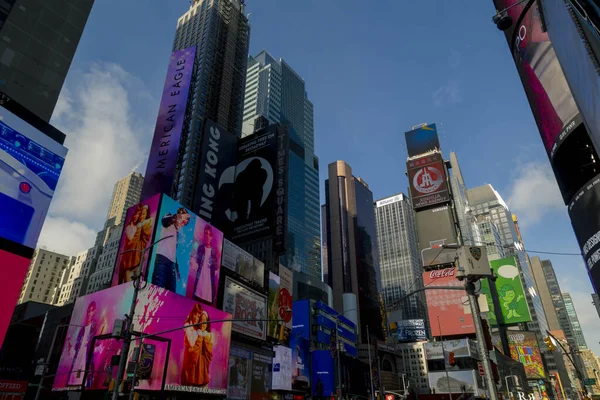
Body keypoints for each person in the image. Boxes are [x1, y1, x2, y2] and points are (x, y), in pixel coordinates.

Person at [151, 207, 191, 292]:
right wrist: (176, 217)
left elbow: (173, 251)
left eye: (185, 223)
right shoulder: (169, 219)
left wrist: (177, 269)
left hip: (171, 265)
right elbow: (164, 222)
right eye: (183, 221)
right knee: (157, 291)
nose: (183, 224)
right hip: (162, 262)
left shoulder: (177, 232)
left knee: (171, 294)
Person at [119, 204, 154, 283]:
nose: (141, 216)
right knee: (127, 284)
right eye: (140, 214)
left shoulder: (144, 226)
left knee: (138, 285)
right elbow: (130, 242)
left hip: (138, 259)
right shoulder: (131, 227)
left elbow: (146, 238)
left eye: (143, 214)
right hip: (128, 260)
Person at [67, 301, 98, 386]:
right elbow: (75, 350)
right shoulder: (82, 330)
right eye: (88, 310)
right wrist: (69, 342)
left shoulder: (95, 328)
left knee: (83, 382)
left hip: (86, 364)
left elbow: (96, 348)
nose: (89, 313)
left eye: (91, 311)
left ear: (94, 312)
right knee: (75, 381)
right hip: (77, 364)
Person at [182, 305, 213, 386]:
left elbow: (210, 353)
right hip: (191, 366)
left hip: (203, 369)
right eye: (201, 320)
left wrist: (204, 337)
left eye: (205, 321)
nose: (203, 323)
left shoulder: (209, 335)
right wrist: (199, 336)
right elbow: (191, 348)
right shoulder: (193, 330)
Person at [193, 225, 219, 304]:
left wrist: (213, 262)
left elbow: (216, 268)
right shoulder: (200, 248)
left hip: (209, 289)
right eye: (206, 234)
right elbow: (196, 263)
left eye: (209, 234)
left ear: (212, 237)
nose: (208, 236)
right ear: (204, 235)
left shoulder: (214, 251)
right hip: (199, 286)